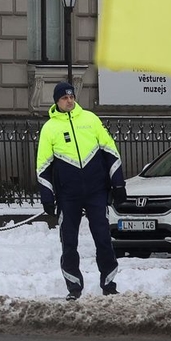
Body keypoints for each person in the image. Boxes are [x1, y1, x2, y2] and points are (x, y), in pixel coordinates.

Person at [36, 82, 127, 299]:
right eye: (64, 98)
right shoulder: (49, 128)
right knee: (69, 242)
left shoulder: (90, 119)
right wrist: (47, 196)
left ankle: (109, 284)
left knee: (103, 238)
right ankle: (74, 287)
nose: (69, 101)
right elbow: (42, 166)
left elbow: (111, 152)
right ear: (57, 101)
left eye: (72, 97)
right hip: (68, 195)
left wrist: (118, 184)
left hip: (96, 191)